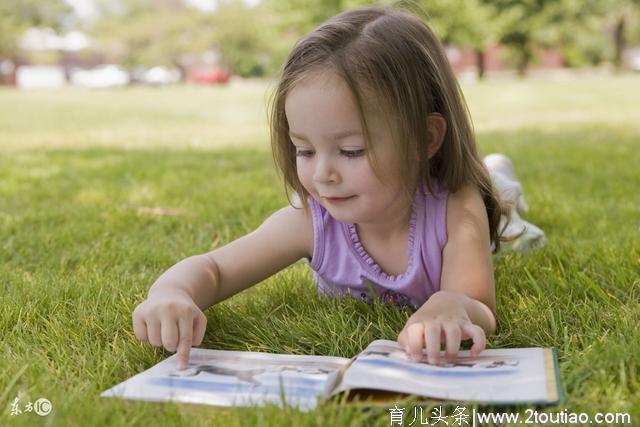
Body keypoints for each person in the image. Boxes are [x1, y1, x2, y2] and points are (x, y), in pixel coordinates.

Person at [133, 5, 512, 371]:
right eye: (305, 150)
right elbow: (214, 268)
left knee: (511, 217)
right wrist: (172, 293)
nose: (322, 174)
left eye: (351, 151)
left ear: (424, 138)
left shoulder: (455, 208)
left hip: (463, 198)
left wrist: (452, 305)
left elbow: (479, 305)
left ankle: (498, 175)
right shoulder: (312, 221)